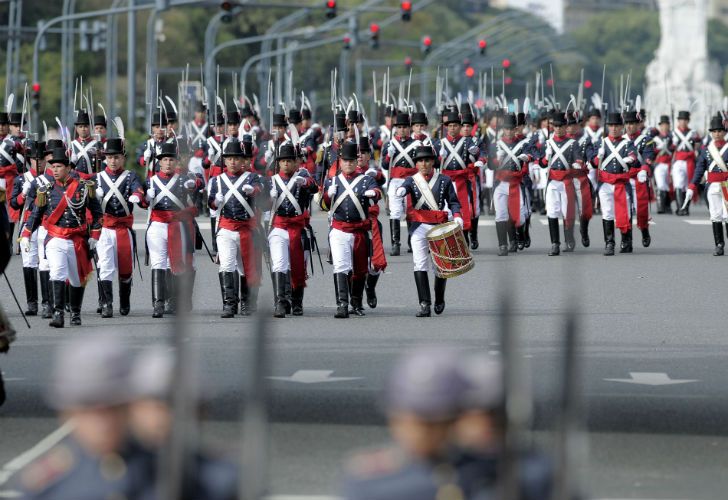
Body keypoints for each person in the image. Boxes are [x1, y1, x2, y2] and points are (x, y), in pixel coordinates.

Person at [12, 334, 157, 499]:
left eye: (112, 408)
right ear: (66, 412)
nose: (103, 423)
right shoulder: (45, 487)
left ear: (131, 406)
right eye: (88, 409)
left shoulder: (171, 472)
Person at [342, 346, 467, 500]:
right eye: (413, 422)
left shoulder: (484, 470)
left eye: (434, 423)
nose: (421, 433)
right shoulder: (371, 480)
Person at [20, 147, 102, 327]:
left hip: (77, 239)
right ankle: (58, 314)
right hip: (55, 238)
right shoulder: (45, 190)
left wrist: (95, 235)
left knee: (76, 278)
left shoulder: (83, 187)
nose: (54, 170)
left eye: (58, 166)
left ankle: (75, 312)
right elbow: (35, 214)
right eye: (53, 167)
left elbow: (97, 214)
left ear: (68, 168)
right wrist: (26, 234)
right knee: (57, 272)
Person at [397, 146, 462, 317]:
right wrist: (401, 191)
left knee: (441, 266)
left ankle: (439, 298)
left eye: (427, 160)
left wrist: (457, 215)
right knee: (420, 264)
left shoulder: (444, 180)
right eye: (420, 161)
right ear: (416, 164)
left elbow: (454, 201)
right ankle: (424, 303)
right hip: (419, 226)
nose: (424, 164)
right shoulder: (412, 180)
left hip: (439, 226)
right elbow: (405, 186)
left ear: (432, 162)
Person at [322, 142, 381, 318]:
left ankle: (356, 302)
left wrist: (374, 194)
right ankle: (342, 304)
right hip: (339, 228)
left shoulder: (366, 179)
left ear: (357, 161)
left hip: (359, 230)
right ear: (340, 162)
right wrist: (327, 194)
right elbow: (324, 204)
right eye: (345, 160)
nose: (348, 164)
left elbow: (376, 191)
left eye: (352, 160)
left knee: (360, 269)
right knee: (341, 265)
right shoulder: (332, 181)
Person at [208, 138, 263, 318]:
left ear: (243, 161)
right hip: (226, 228)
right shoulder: (217, 181)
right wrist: (216, 201)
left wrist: (252, 191)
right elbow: (211, 205)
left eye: (237, 158)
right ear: (225, 160)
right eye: (230, 158)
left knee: (246, 267)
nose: (233, 162)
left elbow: (260, 189)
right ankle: (229, 304)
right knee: (227, 265)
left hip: (247, 228)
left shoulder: (252, 177)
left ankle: (247, 303)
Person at [145, 142, 200, 318]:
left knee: (177, 264)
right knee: (158, 263)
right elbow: (142, 200)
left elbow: (198, 184)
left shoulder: (184, 179)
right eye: (165, 160)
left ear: (176, 162)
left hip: (178, 225)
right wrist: (144, 197)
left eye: (171, 160)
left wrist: (195, 183)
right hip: (158, 225)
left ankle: (176, 300)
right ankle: (158, 303)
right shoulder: (151, 181)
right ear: (159, 163)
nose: (168, 163)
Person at [95, 136, 145, 317]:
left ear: (123, 158)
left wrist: (137, 197)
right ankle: (107, 304)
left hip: (123, 228)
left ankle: (125, 302)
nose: (113, 161)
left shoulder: (130, 175)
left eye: (116, 157)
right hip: (105, 229)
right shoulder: (98, 178)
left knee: (125, 268)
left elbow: (137, 189)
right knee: (105, 264)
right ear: (105, 159)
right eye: (109, 157)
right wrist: (93, 194)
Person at [267, 143, 319, 317]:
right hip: (279, 226)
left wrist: (305, 182)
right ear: (279, 163)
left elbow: (314, 187)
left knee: (298, 266)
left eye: (290, 161)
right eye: (283, 161)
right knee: (280, 263)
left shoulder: (303, 176)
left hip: (298, 227)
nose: (286, 164)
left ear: (296, 162)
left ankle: (297, 302)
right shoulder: (273, 180)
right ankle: (280, 303)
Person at [592, 112, 638, 256]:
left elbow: (633, 155)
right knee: (607, 212)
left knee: (625, 212)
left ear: (621, 127)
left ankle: (626, 241)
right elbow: (593, 163)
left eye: (617, 126)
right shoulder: (601, 143)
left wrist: (631, 159)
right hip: (605, 183)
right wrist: (597, 157)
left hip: (621, 183)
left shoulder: (627, 143)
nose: (614, 128)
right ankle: (609, 243)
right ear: (607, 127)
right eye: (611, 126)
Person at [9, 140, 46, 316]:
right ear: (29, 160)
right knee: (29, 263)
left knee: (46, 264)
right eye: (34, 159)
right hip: (28, 225)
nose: (38, 162)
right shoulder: (21, 179)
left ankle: (48, 303)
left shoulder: (50, 179)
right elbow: (14, 204)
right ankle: (32, 303)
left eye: (41, 159)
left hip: (46, 225)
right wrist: (23, 194)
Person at [540, 112, 584, 256]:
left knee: (567, 212)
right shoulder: (548, 143)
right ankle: (555, 244)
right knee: (552, 211)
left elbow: (578, 158)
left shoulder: (572, 144)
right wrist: (546, 157)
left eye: (561, 126)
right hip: (553, 181)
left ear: (566, 127)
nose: (558, 129)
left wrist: (577, 164)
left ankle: (569, 239)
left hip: (566, 181)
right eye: (556, 126)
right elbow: (541, 163)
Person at [686, 115, 728, 256]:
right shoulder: (706, 149)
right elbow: (699, 169)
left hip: (727, 185)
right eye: (714, 131)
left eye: (720, 131)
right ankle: (719, 244)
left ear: (724, 132)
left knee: (727, 215)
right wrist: (692, 186)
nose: (717, 134)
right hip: (712, 186)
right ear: (711, 133)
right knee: (715, 215)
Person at [492, 113, 533, 256]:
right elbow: (490, 165)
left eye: (511, 129)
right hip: (501, 183)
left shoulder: (523, 143)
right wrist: (496, 160)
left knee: (520, 217)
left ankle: (518, 236)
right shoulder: (497, 144)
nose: (508, 131)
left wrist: (527, 157)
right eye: (506, 129)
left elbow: (530, 154)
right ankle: (503, 245)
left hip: (516, 182)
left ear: (515, 129)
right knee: (501, 214)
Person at [381, 112, 418, 256]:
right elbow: (385, 166)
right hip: (395, 181)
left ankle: (412, 242)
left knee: (411, 212)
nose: (402, 129)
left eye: (404, 127)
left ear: (409, 128)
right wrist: (389, 155)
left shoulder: (415, 144)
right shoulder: (390, 144)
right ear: (395, 128)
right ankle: (395, 244)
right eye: (399, 127)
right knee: (395, 212)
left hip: (411, 181)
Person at [671, 110, 701, 216]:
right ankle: (680, 208)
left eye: (684, 120)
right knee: (678, 184)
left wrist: (696, 151)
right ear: (678, 121)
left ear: (688, 121)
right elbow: (671, 148)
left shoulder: (693, 133)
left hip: (690, 161)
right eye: (680, 120)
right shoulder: (674, 133)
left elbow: (698, 145)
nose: (682, 122)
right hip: (679, 161)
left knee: (688, 185)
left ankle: (686, 208)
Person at [652, 115, 675, 214]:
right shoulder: (656, 139)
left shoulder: (673, 137)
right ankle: (660, 206)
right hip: (660, 163)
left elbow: (675, 149)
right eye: (662, 125)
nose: (664, 127)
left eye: (666, 125)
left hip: (670, 164)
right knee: (661, 184)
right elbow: (652, 152)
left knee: (669, 185)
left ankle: (667, 205)